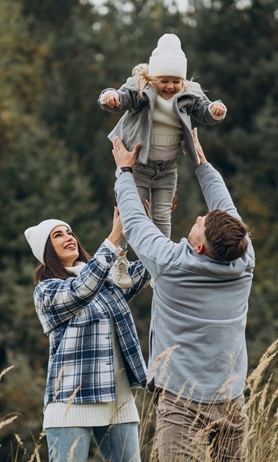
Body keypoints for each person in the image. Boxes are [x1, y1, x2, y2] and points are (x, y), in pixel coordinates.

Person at [111, 128, 254, 462]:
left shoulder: (171, 264)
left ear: (202, 248)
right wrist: (201, 163)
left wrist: (124, 172)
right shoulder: (244, 257)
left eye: (200, 225)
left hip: (182, 402)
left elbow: (135, 222)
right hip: (231, 396)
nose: (197, 219)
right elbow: (227, 209)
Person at [24, 209, 151, 462]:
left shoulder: (105, 279)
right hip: (70, 402)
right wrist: (114, 237)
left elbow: (147, 269)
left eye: (69, 232)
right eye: (58, 235)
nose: (68, 237)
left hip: (118, 401)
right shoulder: (47, 290)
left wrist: (147, 221)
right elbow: (82, 290)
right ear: (47, 251)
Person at [98, 33, 227, 289]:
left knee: (161, 218)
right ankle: (119, 257)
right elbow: (120, 98)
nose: (170, 86)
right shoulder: (140, 87)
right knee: (129, 213)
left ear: (183, 80)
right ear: (152, 77)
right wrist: (109, 96)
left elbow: (205, 111)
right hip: (137, 166)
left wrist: (216, 110)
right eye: (164, 80)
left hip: (167, 169)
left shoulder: (190, 92)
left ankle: (161, 267)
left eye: (176, 81)